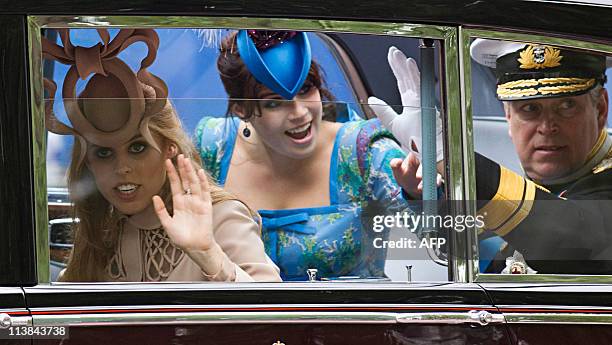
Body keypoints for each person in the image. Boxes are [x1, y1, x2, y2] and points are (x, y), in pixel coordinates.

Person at [43, 28, 281, 282]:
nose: (122, 167)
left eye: (137, 148)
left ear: (170, 148)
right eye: (103, 152)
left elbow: (277, 314)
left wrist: (210, 256)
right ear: (89, 162)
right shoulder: (102, 233)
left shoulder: (220, 216)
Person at [371, 40, 612, 274]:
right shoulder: (533, 186)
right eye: (529, 108)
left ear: (600, 109)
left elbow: (580, 245)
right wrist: (430, 195)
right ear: (508, 116)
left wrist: (445, 155)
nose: (547, 127)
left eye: (567, 106)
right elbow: (475, 250)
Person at [196, 30, 414, 280]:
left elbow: (450, 242)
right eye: (274, 102)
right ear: (241, 110)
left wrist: (427, 180)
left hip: (350, 318)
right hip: (236, 317)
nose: (299, 112)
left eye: (306, 90)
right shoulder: (212, 146)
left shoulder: (364, 150)